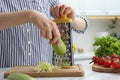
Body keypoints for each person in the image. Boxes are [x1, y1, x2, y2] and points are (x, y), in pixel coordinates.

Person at [0, 0, 88, 68]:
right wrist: (30, 15)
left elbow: (84, 25)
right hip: (7, 75)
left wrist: (72, 19)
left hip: (44, 74)